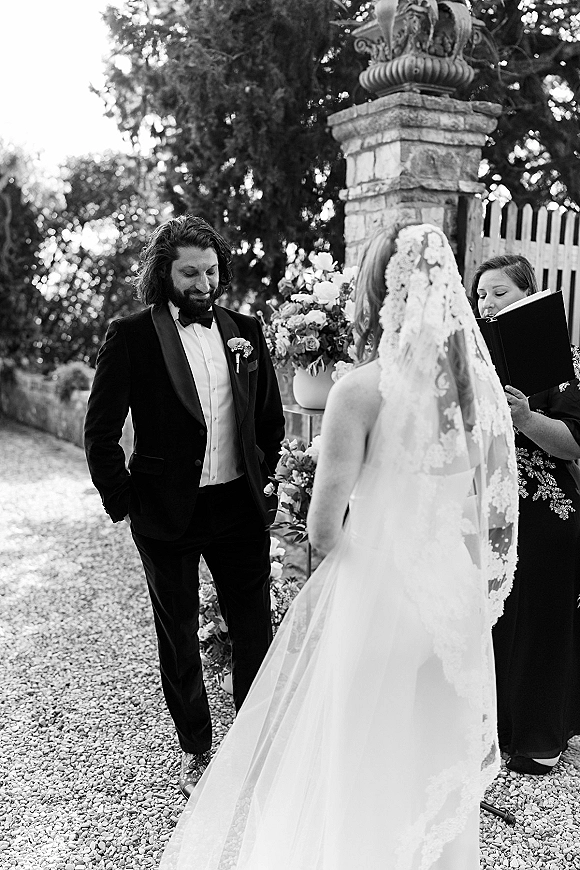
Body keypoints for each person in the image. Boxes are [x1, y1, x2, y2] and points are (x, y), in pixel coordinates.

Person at [158, 224, 518, 870]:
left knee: (360, 771)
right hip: (453, 609)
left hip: (381, 605)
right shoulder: (475, 391)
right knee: (434, 771)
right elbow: (489, 505)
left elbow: (324, 531)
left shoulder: (361, 391)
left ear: (377, 295)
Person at [84, 215, 285, 796]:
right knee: (176, 629)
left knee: (254, 626)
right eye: (189, 273)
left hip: (238, 506)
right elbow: (100, 431)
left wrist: (266, 482)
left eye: (210, 271)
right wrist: (122, 500)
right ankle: (196, 740)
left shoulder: (245, 329)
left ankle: (249, 735)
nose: (202, 284)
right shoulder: (131, 335)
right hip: (165, 510)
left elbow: (268, 418)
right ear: (163, 272)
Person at [473, 253, 580, 774]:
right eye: (481, 295)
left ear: (529, 297)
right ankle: (490, 731)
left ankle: (540, 736)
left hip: (547, 512)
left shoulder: (565, 364)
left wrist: (525, 417)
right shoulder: (471, 361)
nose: (487, 303)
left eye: (499, 294)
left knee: (539, 623)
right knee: (492, 620)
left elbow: (574, 444)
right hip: (485, 510)